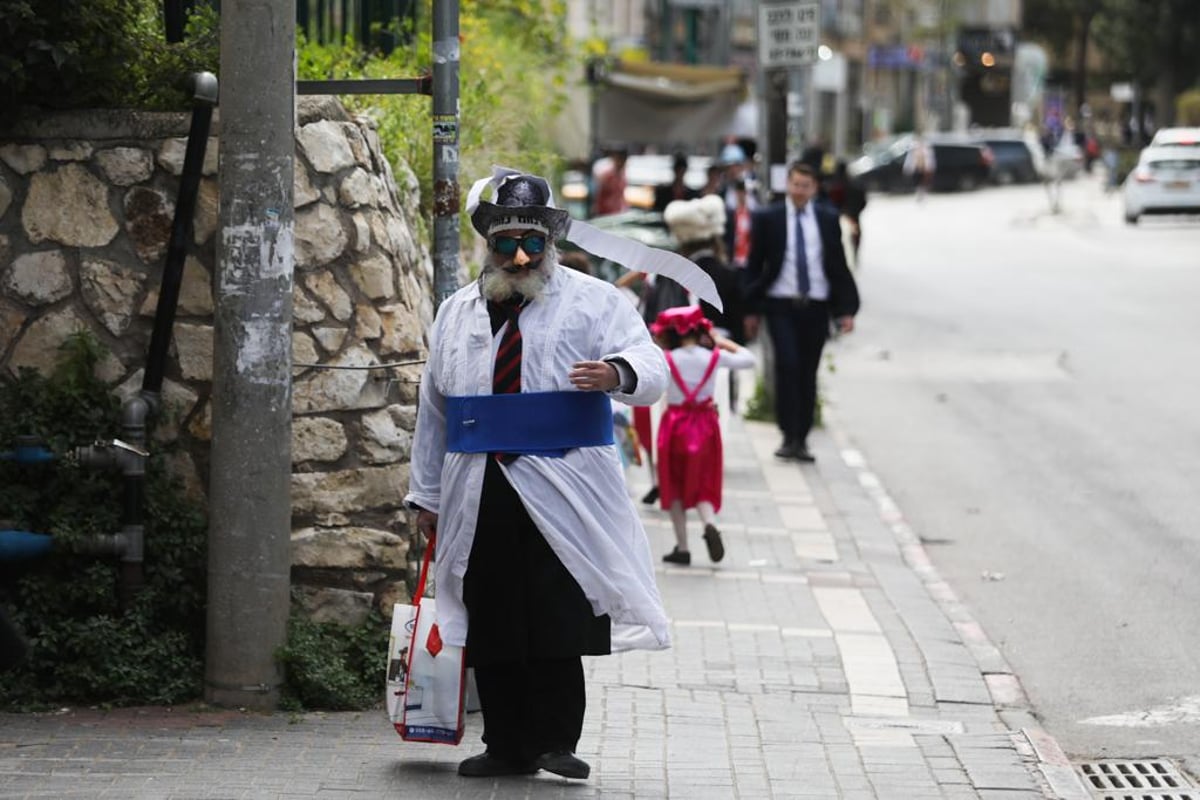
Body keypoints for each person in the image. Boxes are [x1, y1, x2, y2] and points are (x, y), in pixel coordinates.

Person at [406, 170, 677, 781]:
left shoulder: (596, 301)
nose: (521, 256)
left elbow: (651, 368)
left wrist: (615, 374)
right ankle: (504, 744)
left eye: (532, 242)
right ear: (489, 247)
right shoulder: (456, 312)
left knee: (559, 609)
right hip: (479, 485)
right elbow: (435, 412)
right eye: (506, 244)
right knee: (493, 611)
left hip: (565, 486)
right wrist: (425, 494)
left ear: (550, 242)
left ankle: (556, 741)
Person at [743, 161, 860, 463]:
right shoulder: (769, 218)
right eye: (795, 184)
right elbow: (754, 265)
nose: (799, 191)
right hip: (781, 304)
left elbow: (837, 264)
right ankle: (787, 434)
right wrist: (751, 309)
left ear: (814, 188)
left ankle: (802, 439)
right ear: (788, 185)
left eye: (806, 186)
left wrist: (846, 309)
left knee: (808, 373)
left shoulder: (827, 218)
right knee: (788, 366)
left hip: (816, 307)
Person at [649, 306, 755, 566]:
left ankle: (683, 547)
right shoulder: (714, 357)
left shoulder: (666, 358)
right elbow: (749, 359)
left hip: (674, 425)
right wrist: (721, 341)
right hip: (706, 424)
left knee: (672, 484)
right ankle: (709, 523)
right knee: (703, 480)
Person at [664, 194, 747, 411]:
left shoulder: (676, 274)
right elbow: (737, 319)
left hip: (682, 353)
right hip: (719, 351)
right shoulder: (729, 274)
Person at [824, 160, 867, 265]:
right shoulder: (854, 184)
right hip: (852, 218)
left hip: (840, 218)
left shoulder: (832, 186)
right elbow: (863, 202)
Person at [591, 147, 628, 216]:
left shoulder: (622, 174)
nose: (621, 163)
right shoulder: (606, 174)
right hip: (604, 212)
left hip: (616, 212)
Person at [903, 134, 935, 200]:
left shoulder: (927, 150)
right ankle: (919, 194)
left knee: (924, 182)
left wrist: (931, 167)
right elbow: (909, 160)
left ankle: (922, 194)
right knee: (917, 181)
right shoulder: (913, 150)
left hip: (924, 168)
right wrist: (907, 168)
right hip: (916, 168)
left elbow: (930, 159)